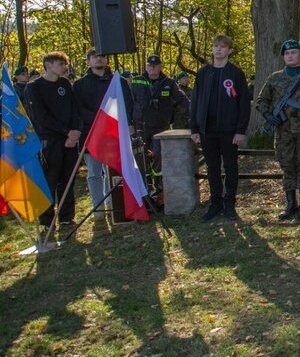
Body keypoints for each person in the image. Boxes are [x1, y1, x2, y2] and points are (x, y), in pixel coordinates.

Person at [255, 39, 300, 221]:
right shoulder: (274, 78)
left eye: (294, 52)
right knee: (287, 165)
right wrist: (268, 115)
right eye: (287, 53)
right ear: (283, 57)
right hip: (283, 130)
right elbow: (261, 101)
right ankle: (290, 205)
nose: (290, 56)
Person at [189, 35, 251, 221]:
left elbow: (243, 104)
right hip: (207, 130)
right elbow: (195, 101)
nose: (218, 50)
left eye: (223, 47)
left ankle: (230, 204)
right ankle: (215, 203)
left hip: (230, 131)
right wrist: (194, 128)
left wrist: (240, 130)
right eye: (215, 46)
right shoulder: (203, 73)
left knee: (231, 167)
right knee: (212, 167)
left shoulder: (236, 74)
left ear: (229, 51)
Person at [73, 48, 134, 219]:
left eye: (102, 56)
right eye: (95, 57)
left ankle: (111, 203)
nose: (99, 59)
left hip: (114, 133)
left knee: (113, 171)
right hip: (91, 133)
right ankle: (98, 207)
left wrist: (128, 124)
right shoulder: (79, 85)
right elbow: (78, 109)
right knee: (94, 173)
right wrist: (99, 121)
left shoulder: (119, 82)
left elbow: (128, 105)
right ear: (88, 61)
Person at [24, 52, 80, 227]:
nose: (64, 67)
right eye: (60, 63)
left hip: (70, 139)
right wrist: (65, 132)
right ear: (48, 65)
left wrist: (75, 131)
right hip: (49, 139)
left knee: (68, 179)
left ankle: (66, 217)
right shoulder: (34, 87)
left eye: (65, 63)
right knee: (50, 179)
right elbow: (40, 116)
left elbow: (73, 109)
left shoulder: (65, 84)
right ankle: (47, 220)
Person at [132, 55, 190, 208]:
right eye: (149, 65)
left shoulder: (169, 83)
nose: (152, 68)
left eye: (155, 65)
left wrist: (195, 113)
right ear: (146, 66)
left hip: (160, 129)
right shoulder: (136, 81)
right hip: (140, 128)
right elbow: (130, 102)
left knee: (158, 158)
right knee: (141, 161)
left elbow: (181, 99)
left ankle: (160, 193)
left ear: (160, 66)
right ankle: (144, 196)